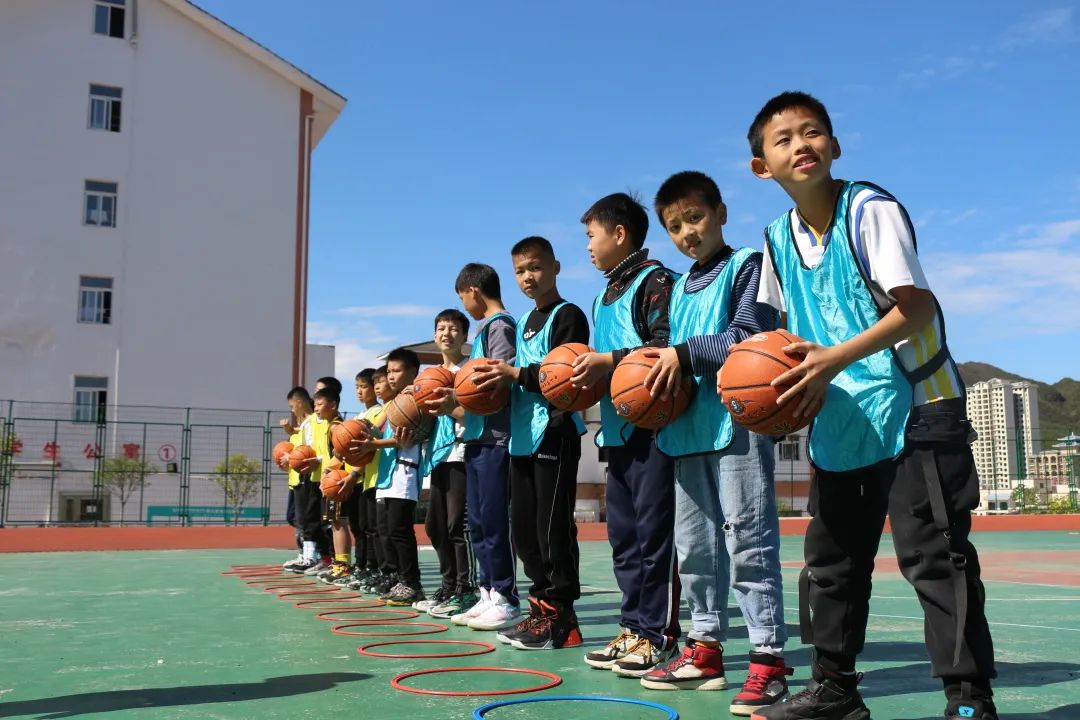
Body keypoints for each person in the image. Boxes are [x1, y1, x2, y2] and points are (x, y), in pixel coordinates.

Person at [746, 91, 996, 720]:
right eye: (784, 139)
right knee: (831, 563)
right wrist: (762, 387)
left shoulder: (869, 210)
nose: (801, 144)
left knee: (935, 558)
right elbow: (775, 333)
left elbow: (918, 309)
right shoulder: (776, 239)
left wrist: (834, 357)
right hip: (844, 416)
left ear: (834, 145)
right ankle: (835, 689)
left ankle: (969, 701)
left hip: (919, 408)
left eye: (812, 132)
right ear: (761, 167)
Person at [641, 170, 791, 717]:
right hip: (687, 430)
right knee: (695, 549)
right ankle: (704, 649)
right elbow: (660, 352)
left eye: (695, 217)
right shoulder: (677, 288)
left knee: (748, 541)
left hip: (739, 423)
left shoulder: (748, 265)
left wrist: (682, 355)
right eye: (675, 226)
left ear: (721, 213)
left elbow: (749, 336)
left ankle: (768, 660)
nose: (688, 232)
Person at [571, 192, 682, 675]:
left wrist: (606, 362)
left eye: (591, 236)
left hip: (654, 428)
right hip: (616, 432)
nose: (587, 247)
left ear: (619, 234)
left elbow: (665, 345)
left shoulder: (656, 281)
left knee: (656, 538)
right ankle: (633, 627)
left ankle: (659, 636)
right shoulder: (602, 297)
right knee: (624, 539)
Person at [471, 237, 588, 650]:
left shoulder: (568, 315)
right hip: (522, 436)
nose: (528, 277)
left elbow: (565, 375)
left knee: (551, 530)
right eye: (520, 271)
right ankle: (540, 610)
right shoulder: (523, 323)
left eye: (535, 267)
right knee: (523, 532)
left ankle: (561, 618)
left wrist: (515, 375)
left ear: (555, 267)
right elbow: (513, 377)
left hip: (554, 430)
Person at [431, 263, 520, 631]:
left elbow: (498, 382)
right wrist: (452, 403)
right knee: (479, 524)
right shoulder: (486, 330)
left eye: (462, 298)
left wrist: (455, 395)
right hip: (477, 436)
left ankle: (506, 598)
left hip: (496, 438)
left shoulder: (501, 327)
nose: (464, 305)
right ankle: (487, 592)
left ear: (472, 291)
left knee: (494, 521)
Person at [417, 309, 478, 618]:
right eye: (441, 328)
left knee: (458, 526)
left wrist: (448, 407)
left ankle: (467, 590)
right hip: (438, 456)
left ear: (464, 336)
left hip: (462, 453)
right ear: (434, 335)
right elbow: (420, 421)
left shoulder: (469, 370)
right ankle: (449, 585)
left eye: (453, 329)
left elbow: (474, 413)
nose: (446, 333)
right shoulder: (427, 377)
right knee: (435, 527)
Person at [353, 348, 425, 607]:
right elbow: (374, 429)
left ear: (412, 372)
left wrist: (372, 444)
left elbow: (406, 439)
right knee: (386, 530)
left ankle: (412, 583)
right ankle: (397, 578)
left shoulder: (417, 397)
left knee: (399, 529)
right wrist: (349, 434)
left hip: (404, 469)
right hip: (386, 472)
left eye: (396, 371)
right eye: (389, 372)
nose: (391, 376)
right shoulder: (393, 403)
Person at [289, 385, 341, 575]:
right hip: (319, 478)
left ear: (332, 404)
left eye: (319, 403)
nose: (316, 406)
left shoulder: (335, 425)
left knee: (333, 524)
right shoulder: (314, 423)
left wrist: (319, 462)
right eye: (315, 403)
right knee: (314, 521)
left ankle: (336, 563)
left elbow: (336, 454)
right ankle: (323, 559)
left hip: (333, 480)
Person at [281, 386, 314, 571]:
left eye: (292, 406)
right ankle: (305, 554)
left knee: (306, 520)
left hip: (307, 477)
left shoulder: (312, 423)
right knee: (297, 518)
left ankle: (311, 556)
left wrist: (292, 458)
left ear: (300, 403)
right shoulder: (302, 426)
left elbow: (308, 451)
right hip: (297, 478)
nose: (292, 410)